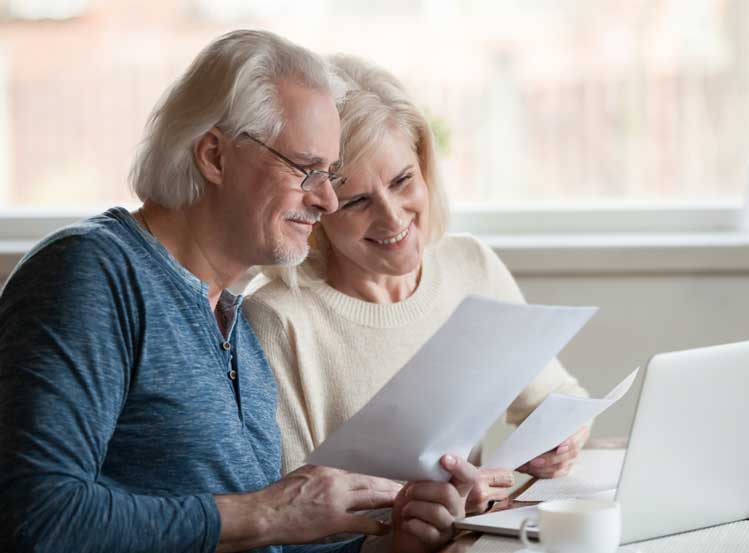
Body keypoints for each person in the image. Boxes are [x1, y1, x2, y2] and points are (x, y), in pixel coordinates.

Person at [0, 30, 479, 553]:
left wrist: (392, 542)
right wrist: (266, 510)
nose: (325, 200)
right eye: (306, 169)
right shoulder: (92, 273)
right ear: (215, 155)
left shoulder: (235, 327)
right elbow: (35, 518)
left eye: (330, 174)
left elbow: (264, 539)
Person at [243, 54, 591, 516]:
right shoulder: (277, 320)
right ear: (318, 211)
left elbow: (556, 397)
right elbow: (288, 512)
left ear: (425, 167)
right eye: (357, 201)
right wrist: (414, 517)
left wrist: (562, 437)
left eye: (403, 180)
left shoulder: (470, 266)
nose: (392, 217)